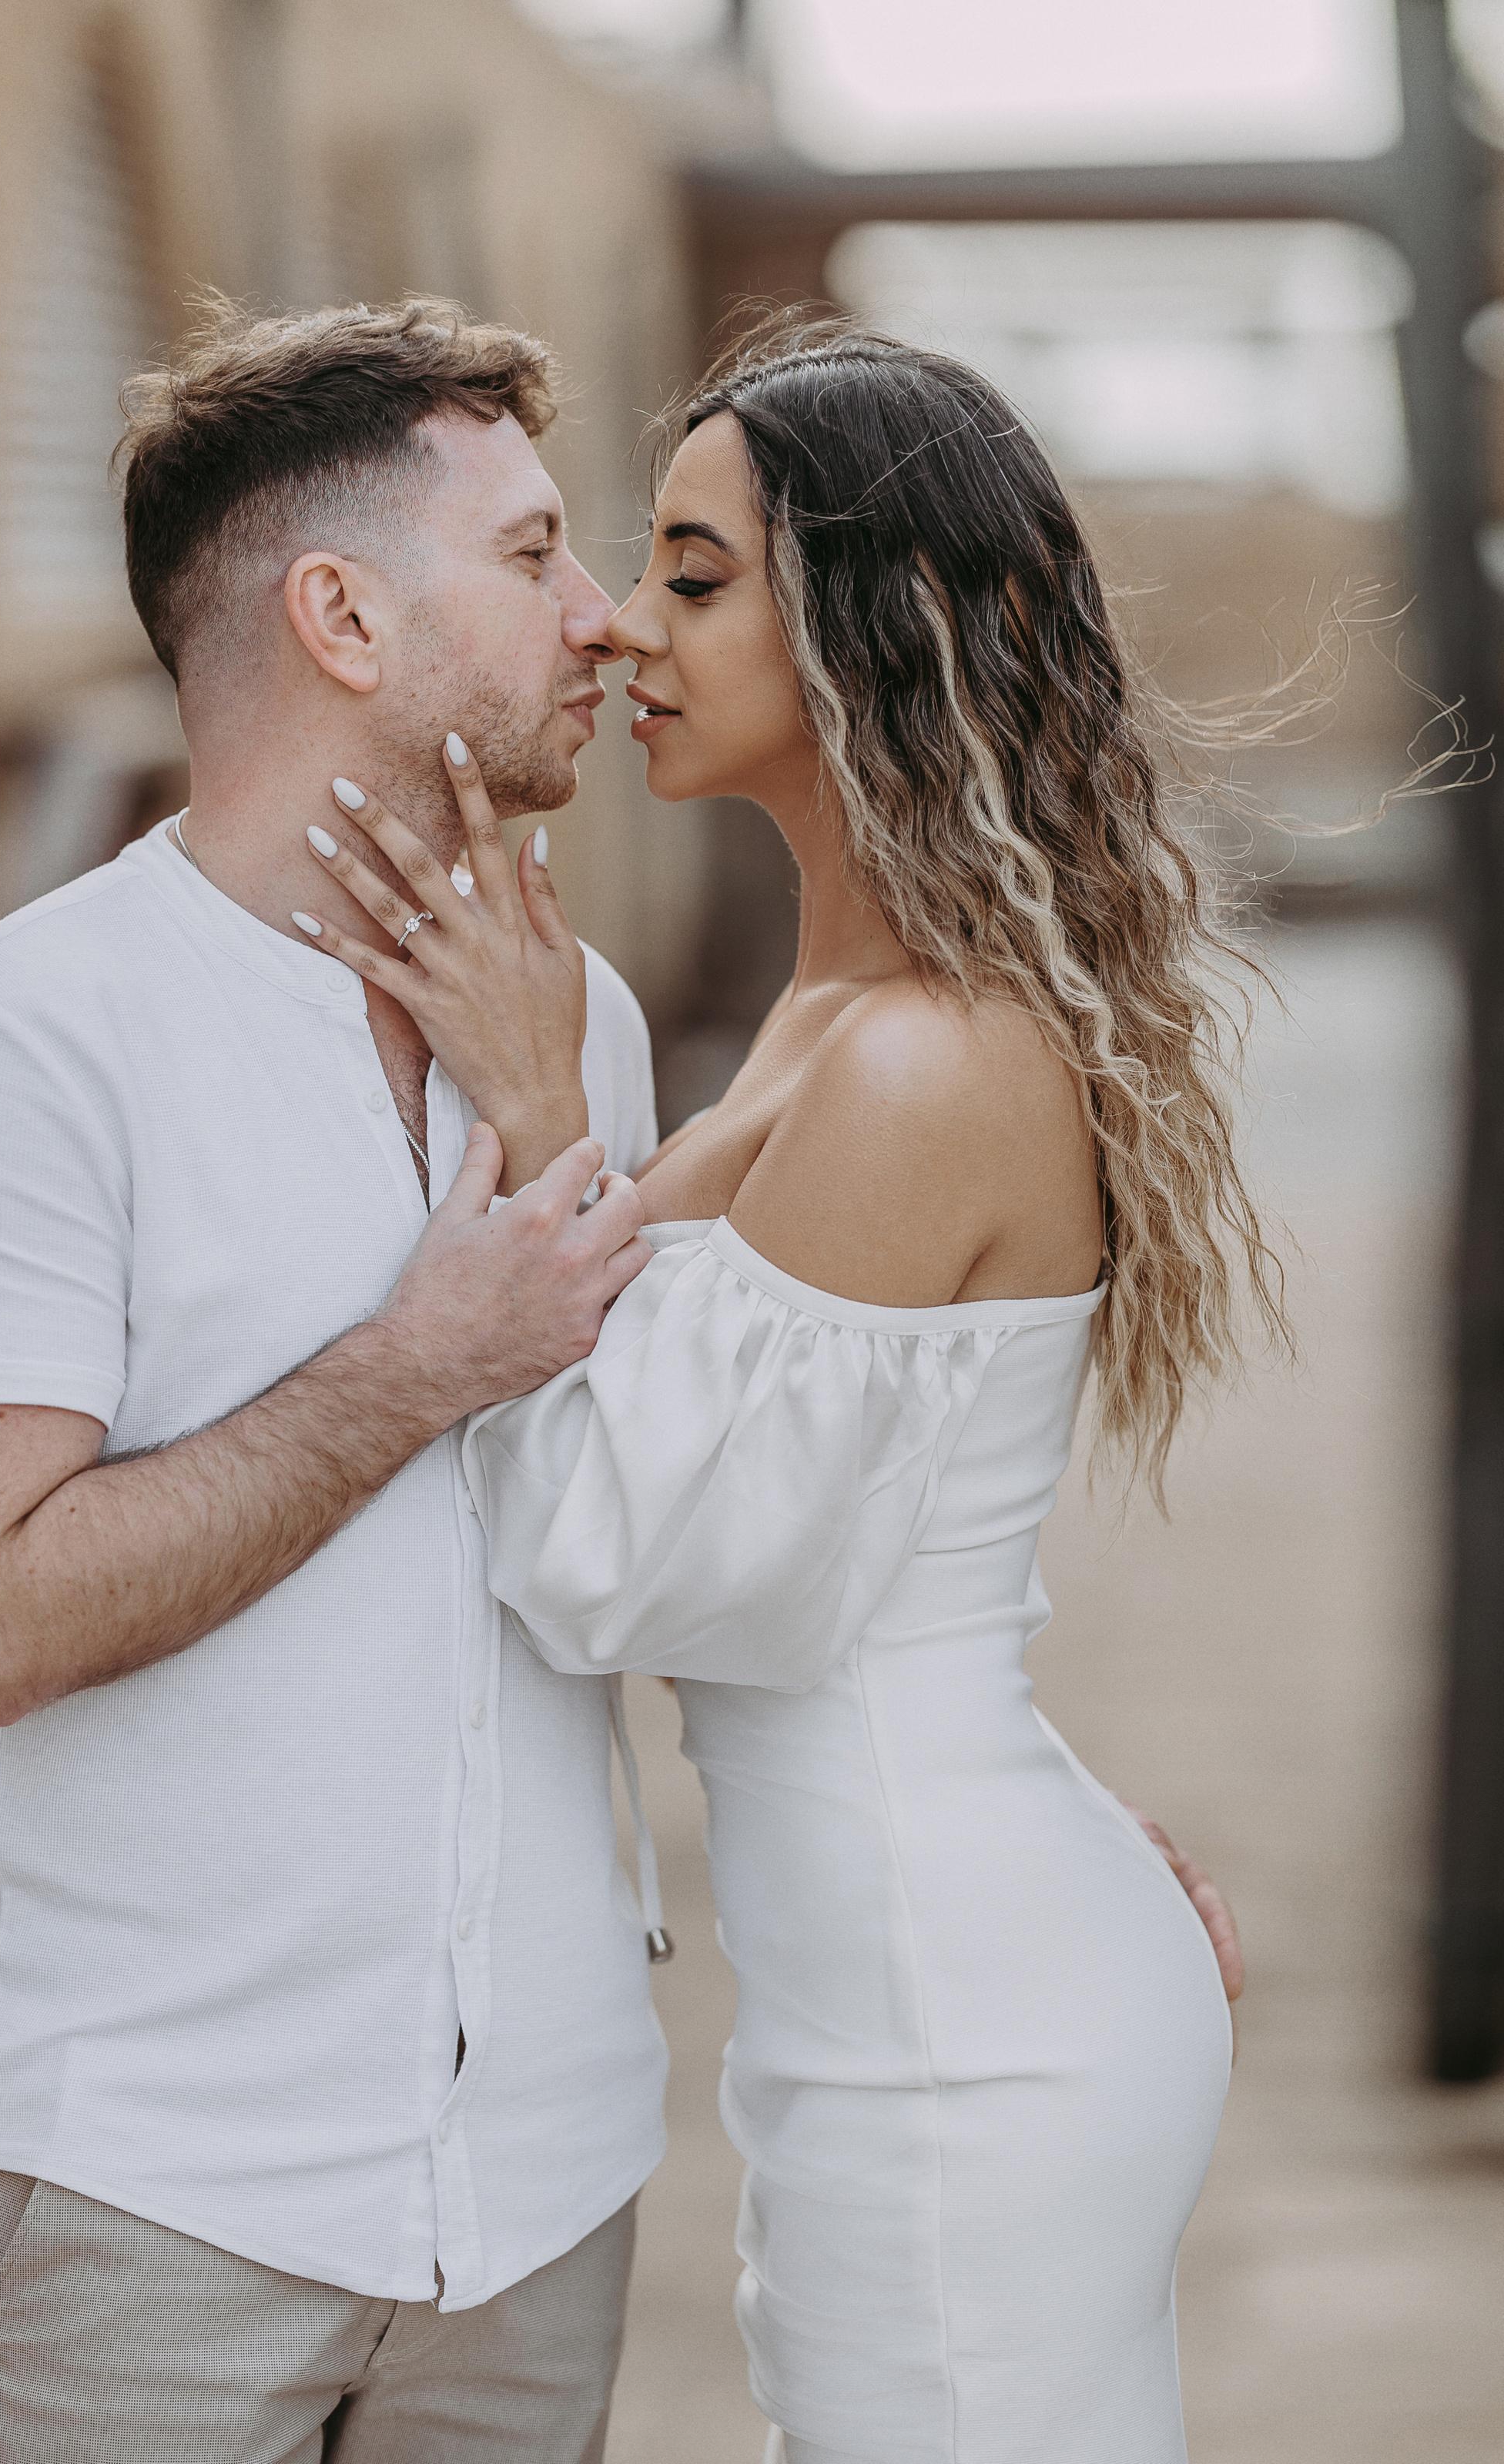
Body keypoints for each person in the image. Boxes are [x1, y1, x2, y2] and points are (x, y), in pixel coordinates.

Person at [0, 295, 1238, 2463]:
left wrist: (1027, 1831)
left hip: (542, 2188)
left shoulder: (576, 1032)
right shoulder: (37, 1035)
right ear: (337, 612)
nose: (604, 622)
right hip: (163, 2181)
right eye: (542, 558)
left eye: (670, 571)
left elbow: (767, 1520)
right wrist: (417, 1365)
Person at [310, 316, 1265, 2463]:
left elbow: (619, 1568)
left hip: (961, 2033)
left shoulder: (926, 1060)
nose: (631, 631)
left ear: (881, 619)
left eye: (700, 573)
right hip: (925, 1987)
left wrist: (548, 1106)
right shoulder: (853, 1019)